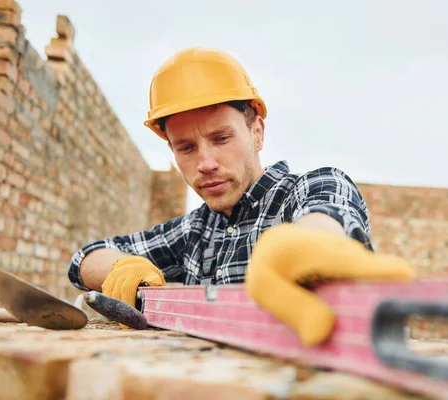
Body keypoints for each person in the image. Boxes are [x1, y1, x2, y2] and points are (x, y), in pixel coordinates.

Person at [67, 47, 415, 345]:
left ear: (257, 132)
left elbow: (325, 213)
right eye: (186, 147)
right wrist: (122, 267)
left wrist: (303, 247)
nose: (205, 163)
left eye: (221, 139)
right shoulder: (194, 231)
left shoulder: (311, 188)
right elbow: (83, 258)